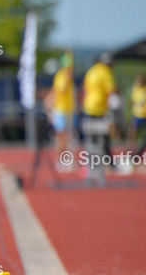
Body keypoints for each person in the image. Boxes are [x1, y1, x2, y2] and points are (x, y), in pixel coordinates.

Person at [80, 52, 117, 184]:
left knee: (90, 143)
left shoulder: (91, 71)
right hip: (100, 111)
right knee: (101, 142)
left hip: (88, 109)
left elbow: (84, 90)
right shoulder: (105, 72)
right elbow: (111, 91)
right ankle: (100, 174)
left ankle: (90, 172)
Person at [45, 52, 76, 172]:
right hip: (61, 110)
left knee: (69, 138)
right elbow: (61, 90)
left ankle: (67, 160)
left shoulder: (66, 77)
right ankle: (61, 160)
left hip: (69, 110)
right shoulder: (62, 76)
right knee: (62, 137)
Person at [128, 73, 146, 147]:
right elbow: (133, 100)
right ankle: (132, 145)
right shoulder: (135, 89)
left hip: (145, 113)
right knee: (133, 130)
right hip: (136, 113)